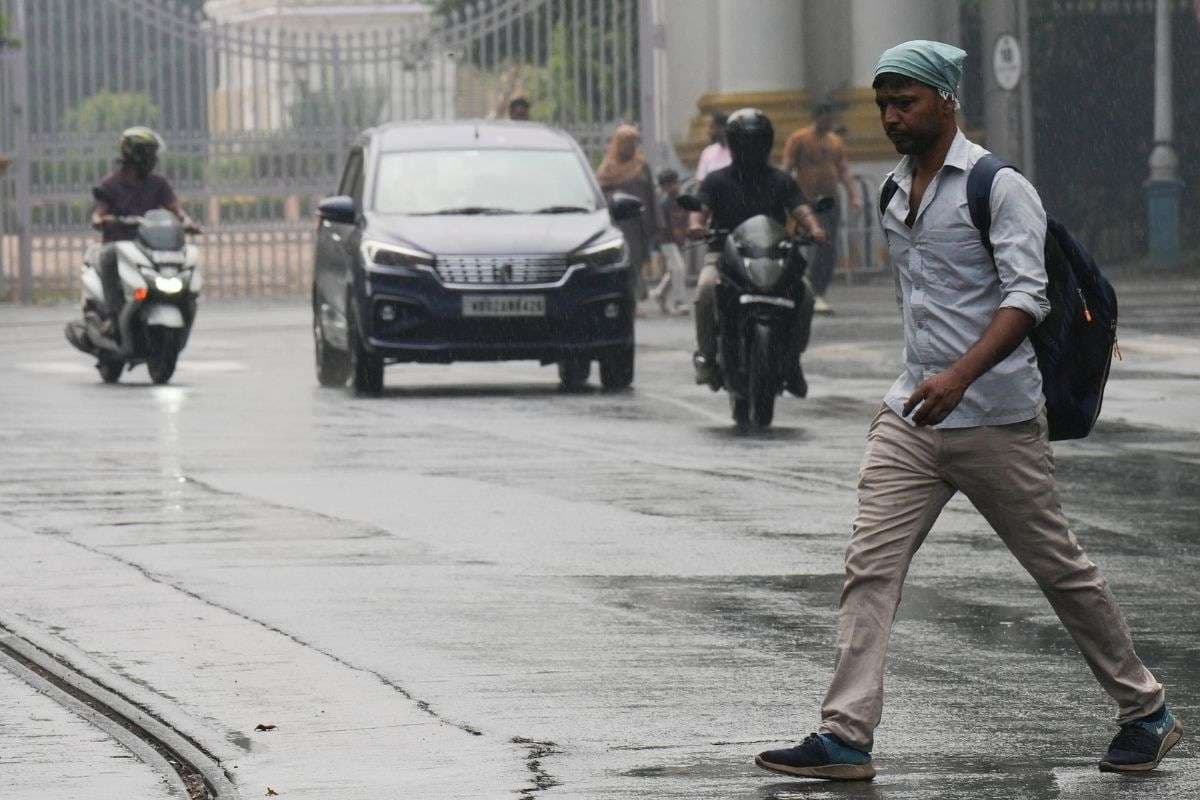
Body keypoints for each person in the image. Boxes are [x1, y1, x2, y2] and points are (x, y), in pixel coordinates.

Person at [754, 40, 1180, 782]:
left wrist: (960, 374)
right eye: (884, 103)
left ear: (947, 101)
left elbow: (1027, 295)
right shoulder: (893, 193)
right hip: (912, 415)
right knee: (870, 567)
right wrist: (931, 379)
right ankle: (846, 734)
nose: (891, 116)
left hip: (996, 418)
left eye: (905, 102)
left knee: (1059, 570)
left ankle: (1147, 711)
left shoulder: (998, 186)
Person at [687, 108, 826, 397]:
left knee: (806, 295)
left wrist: (814, 227)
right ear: (734, 144)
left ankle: (792, 359)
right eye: (745, 142)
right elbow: (700, 210)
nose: (751, 148)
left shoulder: (781, 180)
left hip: (774, 257)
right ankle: (709, 358)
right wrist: (697, 225)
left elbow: (800, 207)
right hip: (725, 257)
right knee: (704, 293)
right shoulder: (716, 180)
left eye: (757, 141)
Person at [91, 127, 199, 337]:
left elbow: (175, 209)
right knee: (107, 257)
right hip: (120, 243)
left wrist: (187, 222)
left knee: (185, 258)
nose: (154, 159)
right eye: (150, 154)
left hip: (151, 244)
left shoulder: (158, 184)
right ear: (136, 154)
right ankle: (113, 317)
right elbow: (98, 215)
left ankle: (184, 302)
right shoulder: (110, 184)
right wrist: (105, 220)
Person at [781, 102, 862, 315]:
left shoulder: (835, 141)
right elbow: (787, 166)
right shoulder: (799, 138)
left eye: (831, 119)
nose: (828, 122)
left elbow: (843, 169)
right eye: (825, 118)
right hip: (804, 201)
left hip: (829, 201)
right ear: (816, 117)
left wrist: (853, 194)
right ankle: (790, 287)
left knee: (827, 246)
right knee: (794, 244)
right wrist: (781, 194)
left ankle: (818, 291)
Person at [596, 124, 658, 299]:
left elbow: (651, 194)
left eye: (632, 142)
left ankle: (635, 295)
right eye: (626, 142)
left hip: (640, 223)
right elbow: (600, 194)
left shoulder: (641, 165)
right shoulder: (608, 167)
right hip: (619, 224)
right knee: (623, 259)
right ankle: (627, 296)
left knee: (638, 259)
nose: (629, 146)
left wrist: (657, 222)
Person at [649, 169, 689, 315]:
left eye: (674, 183)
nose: (673, 187)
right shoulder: (664, 203)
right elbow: (663, 225)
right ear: (663, 187)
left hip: (678, 240)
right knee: (678, 268)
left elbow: (686, 218)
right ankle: (680, 302)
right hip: (667, 241)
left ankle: (660, 293)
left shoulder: (682, 199)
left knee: (675, 269)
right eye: (668, 185)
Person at [695, 111, 732, 182]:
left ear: (722, 127)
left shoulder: (739, 150)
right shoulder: (707, 152)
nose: (709, 131)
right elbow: (701, 181)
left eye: (712, 127)